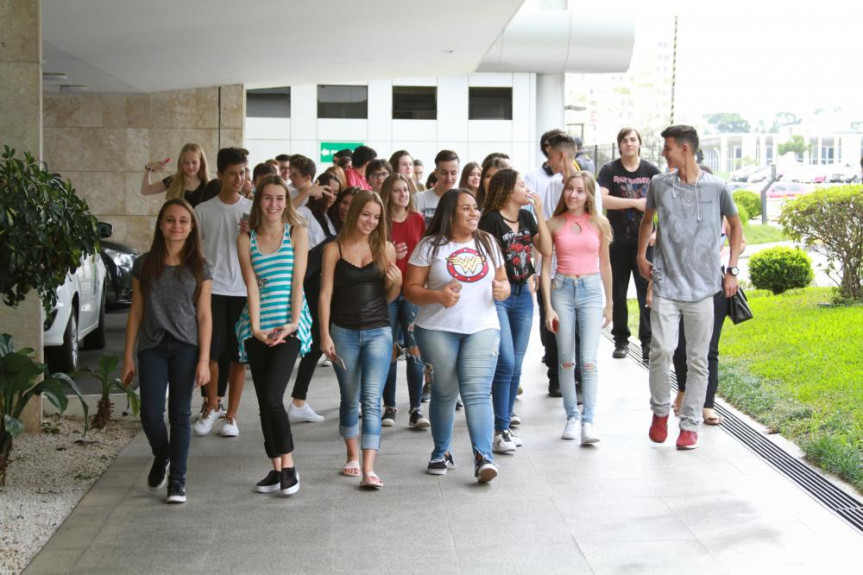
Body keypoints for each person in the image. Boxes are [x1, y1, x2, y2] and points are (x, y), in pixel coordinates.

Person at [638, 125, 742, 450]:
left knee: (698, 358)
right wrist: (642, 255)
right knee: (662, 351)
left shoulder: (717, 187)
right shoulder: (659, 184)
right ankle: (659, 413)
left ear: (685, 149)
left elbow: (737, 228)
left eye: (667, 148)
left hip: (704, 288)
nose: (663, 153)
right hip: (666, 283)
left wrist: (733, 270)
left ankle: (690, 424)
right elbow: (647, 221)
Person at [405, 189, 510, 483]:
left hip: (483, 326)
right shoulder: (430, 245)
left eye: (475, 208)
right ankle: (441, 451)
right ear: (450, 213)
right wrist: (437, 295)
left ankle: (483, 457)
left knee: (477, 392)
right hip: (437, 328)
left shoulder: (488, 242)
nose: (474, 213)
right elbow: (410, 288)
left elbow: (503, 282)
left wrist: (504, 289)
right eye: (466, 208)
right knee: (445, 391)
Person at [122, 199, 212, 504]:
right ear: (161, 225)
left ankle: (178, 482)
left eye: (183, 221)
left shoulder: (200, 266)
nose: (177, 226)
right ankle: (163, 455)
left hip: (187, 347)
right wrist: (127, 356)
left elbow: (204, 315)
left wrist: (204, 360)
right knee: (149, 413)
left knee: (180, 414)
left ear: (191, 227)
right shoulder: (144, 264)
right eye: (171, 220)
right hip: (152, 347)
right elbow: (136, 311)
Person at [235, 175, 313, 497]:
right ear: (258, 201)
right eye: (267, 198)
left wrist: (293, 323)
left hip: (289, 324)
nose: (274, 204)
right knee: (264, 402)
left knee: (271, 396)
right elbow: (251, 286)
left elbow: (298, 282)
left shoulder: (298, 232)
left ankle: (291, 467)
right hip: (257, 326)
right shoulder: (245, 239)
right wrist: (254, 328)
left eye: (280, 198)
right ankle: (277, 468)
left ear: (287, 200)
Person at [319, 190, 401, 489]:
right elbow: (325, 293)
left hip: (379, 329)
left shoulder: (385, 249)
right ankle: (351, 456)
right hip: (344, 331)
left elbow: (389, 296)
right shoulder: (335, 248)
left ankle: (369, 467)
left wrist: (397, 283)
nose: (371, 221)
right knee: (349, 397)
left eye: (376, 217)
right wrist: (324, 334)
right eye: (366, 214)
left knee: (371, 399)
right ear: (354, 213)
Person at [479, 169, 551, 453]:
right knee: (506, 361)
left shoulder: (527, 217)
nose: (527, 188)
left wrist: (540, 212)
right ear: (508, 190)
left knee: (517, 365)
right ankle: (499, 429)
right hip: (500, 296)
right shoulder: (491, 220)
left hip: (524, 295)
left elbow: (545, 248)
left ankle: (505, 426)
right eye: (522, 185)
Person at [542, 172, 612, 444]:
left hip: (592, 290)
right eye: (569, 189)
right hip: (562, 290)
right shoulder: (554, 223)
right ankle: (572, 416)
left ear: (589, 195)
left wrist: (611, 304)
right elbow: (545, 266)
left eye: (580, 191)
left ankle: (589, 421)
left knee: (589, 360)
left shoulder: (600, 223)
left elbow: (605, 264)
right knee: (567, 358)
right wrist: (548, 307)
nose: (573, 195)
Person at [194, 147, 253, 438]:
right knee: (212, 353)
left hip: (243, 291)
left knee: (238, 356)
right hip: (212, 289)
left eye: (243, 172)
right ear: (220, 175)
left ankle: (231, 416)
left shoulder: (253, 210)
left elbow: (265, 250)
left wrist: (252, 233)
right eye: (233, 173)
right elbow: (195, 251)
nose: (239, 178)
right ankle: (212, 405)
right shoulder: (203, 211)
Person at [671, 218, 747, 425]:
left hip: (717, 286)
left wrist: (728, 262)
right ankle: (683, 390)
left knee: (710, 348)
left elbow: (740, 242)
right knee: (681, 347)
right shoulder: (682, 207)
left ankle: (707, 405)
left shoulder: (722, 211)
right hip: (685, 285)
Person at [597, 127, 661, 362]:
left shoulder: (651, 171)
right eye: (624, 140)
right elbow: (601, 199)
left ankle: (647, 342)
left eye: (633, 139)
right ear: (619, 145)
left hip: (646, 243)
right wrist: (635, 203)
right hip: (617, 242)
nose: (629, 143)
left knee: (647, 292)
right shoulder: (609, 170)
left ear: (639, 143)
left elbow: (665, 203)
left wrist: (658, 232)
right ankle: (621, 339)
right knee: (619, 291)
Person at [288, 172, 341, 424]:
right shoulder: (306, 212)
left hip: (323, 282)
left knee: (320, 339)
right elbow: (287, 213)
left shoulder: (328, 219)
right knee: (316, 338)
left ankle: (300, 399)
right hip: (309, 282)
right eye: (326, 190)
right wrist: (306, 193)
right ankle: (298, 399)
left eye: (335, 193)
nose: (330, 196)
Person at [378, 174, 428, 429]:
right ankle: (390, 406)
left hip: (412, 291)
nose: (403, 195)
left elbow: (427, 251)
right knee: (390, 350)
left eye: (406, 190)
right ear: (388, 194)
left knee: (414, 350)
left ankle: (416, 408)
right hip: (387, 292)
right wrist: (388, 256)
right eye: (397, 191)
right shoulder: (381, 223)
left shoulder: (417, 219)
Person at [141, 143, 210, 207]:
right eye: (186, 162)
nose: (190, 166)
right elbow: (145, 190)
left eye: (194, 162)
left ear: (201, 162)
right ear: (181, 163)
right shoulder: (172, 181)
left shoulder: (208, 186)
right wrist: (148, 169)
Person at [414, 150, 459, 226]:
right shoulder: (419, 199)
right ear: (436, 173)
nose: (449, 178)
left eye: (453, 173)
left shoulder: (462, 200)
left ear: (458, 173)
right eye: (444, 173)